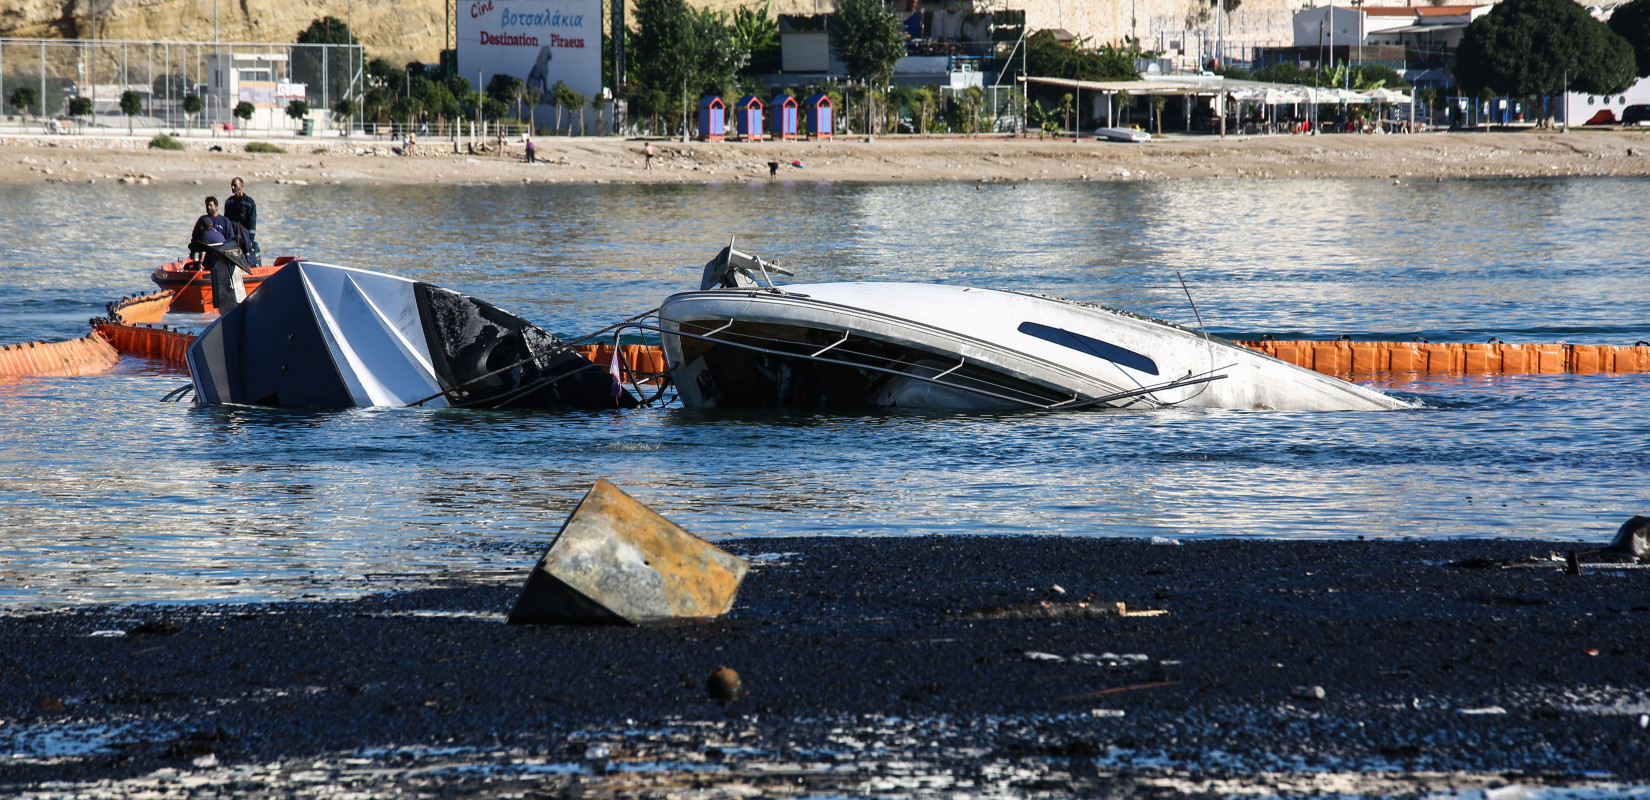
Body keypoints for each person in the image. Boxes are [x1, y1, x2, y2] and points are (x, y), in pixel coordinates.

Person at [188, 196, 248, 314]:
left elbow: (229, 240)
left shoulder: (224, 221)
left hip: (221, 257)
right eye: (207, 206)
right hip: (207, 258)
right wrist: (194, 253)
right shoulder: (202, 220)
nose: (208, 208)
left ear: (216, 206)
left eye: (210, 205)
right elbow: (196, 239)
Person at [223, 177, 259, 266]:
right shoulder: (229, 202)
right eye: (231, 186)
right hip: (232, 235)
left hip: (245, 235)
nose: (233, 188)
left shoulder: (249, 203)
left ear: (241, 186)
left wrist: (250, 239)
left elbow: (252, 222)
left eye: (235, 185)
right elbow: (226, 221)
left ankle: (248, 261)